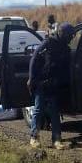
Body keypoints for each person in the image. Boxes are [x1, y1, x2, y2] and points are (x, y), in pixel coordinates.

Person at [27, 22, 74, 150]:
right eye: (70, 36)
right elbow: (34, 58)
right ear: (63, 34)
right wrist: (31, 78)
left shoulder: (66, 49)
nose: (71, 39)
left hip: (54, 84)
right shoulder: (48, 43)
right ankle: (34, 138)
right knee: (38, 110)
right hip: (41, 82)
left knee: (55, 112)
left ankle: (57, 140)